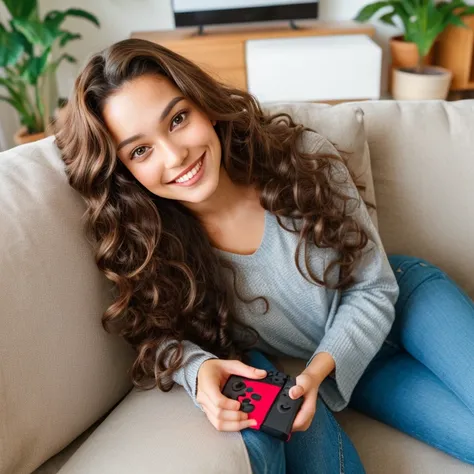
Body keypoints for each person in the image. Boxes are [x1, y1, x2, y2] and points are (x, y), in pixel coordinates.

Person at [55, 38, 474, 473]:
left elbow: (374, 286)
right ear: (125, 171)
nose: (175, 155)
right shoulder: (157, 249)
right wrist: (198, 373)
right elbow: (157, 338)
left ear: (203, 105)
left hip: (408, 299)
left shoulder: (303, 159)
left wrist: (315, 371)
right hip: (361, 368)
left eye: (178, 119)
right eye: (140, 150)